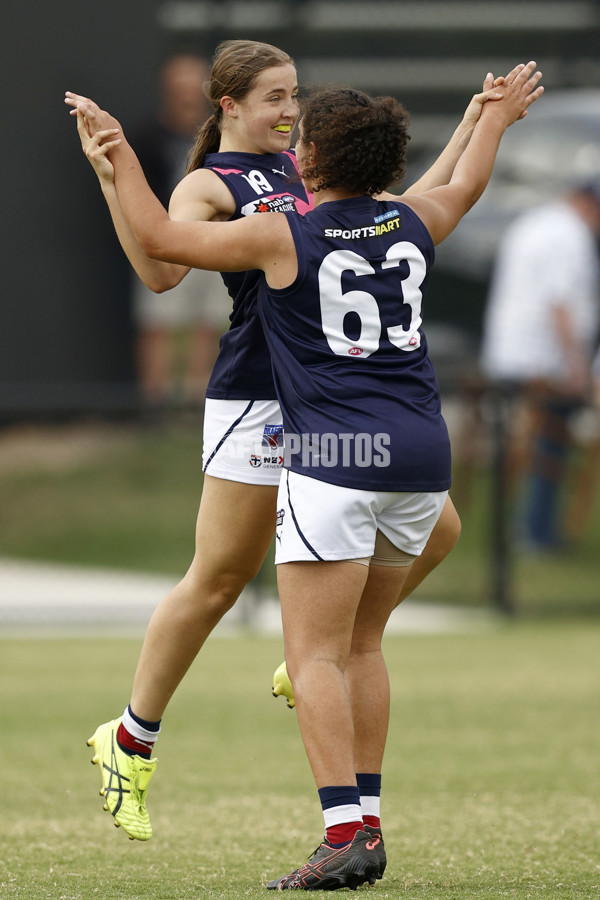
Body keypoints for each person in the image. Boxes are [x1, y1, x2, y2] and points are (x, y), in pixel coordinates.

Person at [72, 58, 542, 888]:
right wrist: (490, 123)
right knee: (233, 585)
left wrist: (115, 156)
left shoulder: (292, 216)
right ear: (232, 106)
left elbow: (161, 242)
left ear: (321, 157)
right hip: (354, 427)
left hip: (329, 437)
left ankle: (342, 821)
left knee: (328, 645)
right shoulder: (337, 205)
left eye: (299, 102)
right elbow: (451, 192)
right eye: (277, 97)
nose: (291, 113)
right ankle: (136, 735)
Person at [480, 176, 600, 551]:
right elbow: (560, 305)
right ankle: (536, 531)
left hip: (509, 352)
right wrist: (579, 368)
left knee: (534, 441)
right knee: (552, 440)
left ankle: (518, 528)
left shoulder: (535, 223)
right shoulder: (570, 236)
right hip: (541, 358)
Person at [129, 53, 229, 410]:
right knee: (160, 319)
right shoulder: (148, 136)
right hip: (167, 237)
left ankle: (195, 397)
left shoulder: (221, 135)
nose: (186, 95)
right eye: (179, 87)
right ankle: (154, 401)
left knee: (210, 320)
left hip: (213, 237)